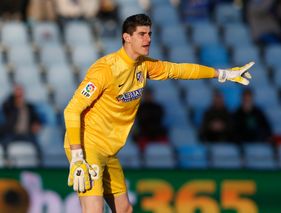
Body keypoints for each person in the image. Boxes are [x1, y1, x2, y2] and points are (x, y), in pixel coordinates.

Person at [63, 14, 255, 213]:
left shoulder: (144, 65)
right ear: (126, 37)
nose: (148, 39)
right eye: (142, 34)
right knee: (94, 210)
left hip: (109, 149)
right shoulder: (105, 70)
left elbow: (179, 70)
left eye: (149, 34)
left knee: (125, 209)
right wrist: (78, 156)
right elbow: (72, 110)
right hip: (88, 146)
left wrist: (223, 74)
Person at [134, 87, 168, 151]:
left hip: (157, 131)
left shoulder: (158, 107)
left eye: (149, 95)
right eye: (146, 95)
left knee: (164, 140)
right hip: (144, 132)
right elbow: (140, 119)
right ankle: (142, 156)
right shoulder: (139, 108)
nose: (148, 96)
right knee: (139, 138)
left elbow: (158, 118)